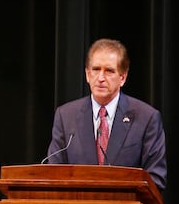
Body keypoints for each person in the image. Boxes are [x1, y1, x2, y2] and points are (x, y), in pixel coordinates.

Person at [44, 38, 167, 192]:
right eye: (96, 69)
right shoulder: (66, 116)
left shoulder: (146, 118)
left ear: (123, 77)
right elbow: (52, 175)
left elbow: (155, 180)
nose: (101, 78)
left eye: (109, 71)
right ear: (87, 74)